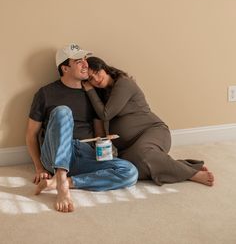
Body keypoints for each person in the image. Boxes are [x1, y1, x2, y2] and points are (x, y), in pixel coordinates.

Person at [26, 43, 138, 213]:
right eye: (79, 61)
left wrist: (103, 142)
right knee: (63, 111)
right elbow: (31, 135)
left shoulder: (93, 95)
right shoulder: (46, 93)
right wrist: (39, 168)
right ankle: (61, 180)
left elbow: (98, 132)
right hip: (54, 154)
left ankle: (66, 182)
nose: (86, 64)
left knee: (130, 172)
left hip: (83, 152)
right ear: (65, 68)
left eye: (85, 59)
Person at [82, 56, 214, 187]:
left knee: (144, 156)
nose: (96, 79)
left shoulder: (123, 83)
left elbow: (106, 114)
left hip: (152, 132)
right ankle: (179, 165)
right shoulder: (100, 97)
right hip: (128, 148)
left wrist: (89, 89)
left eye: (97, 73)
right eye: (90, 79)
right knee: (131, 169)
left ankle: (191, 174)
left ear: (104, 68)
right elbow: (99, 122)